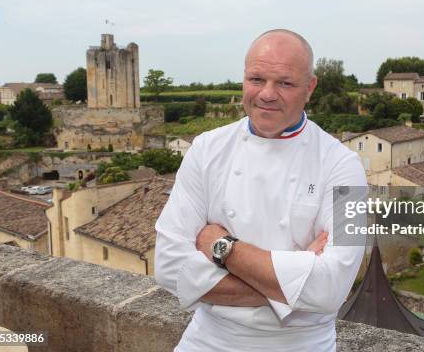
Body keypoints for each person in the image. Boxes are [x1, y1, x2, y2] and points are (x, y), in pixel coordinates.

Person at [154, 29, 367, 351]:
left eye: (285, 82)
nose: (267, 94)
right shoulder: (205, 149)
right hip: (208, 340)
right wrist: (295, 281)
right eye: (257, 79)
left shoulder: (346, 167)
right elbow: (169, 267)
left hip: (300, 345)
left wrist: (222, 247)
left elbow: (332, 289)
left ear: (310, 87)